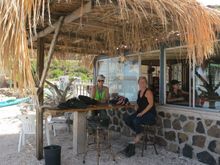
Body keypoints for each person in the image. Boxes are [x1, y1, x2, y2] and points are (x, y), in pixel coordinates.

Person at [124, 76, 156, 144]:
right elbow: (139, 103)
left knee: (136, 120)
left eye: (144, 82)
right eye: (140, 82)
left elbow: (151, 104)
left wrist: (141, 113)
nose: (142, 84)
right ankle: (140, 132)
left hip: (150, 114)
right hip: (141, 113)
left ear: (146, 83)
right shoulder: (139, 92)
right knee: (127, 119)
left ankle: (138, 135)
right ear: (138, 83)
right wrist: (136, 106)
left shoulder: (148, 92)